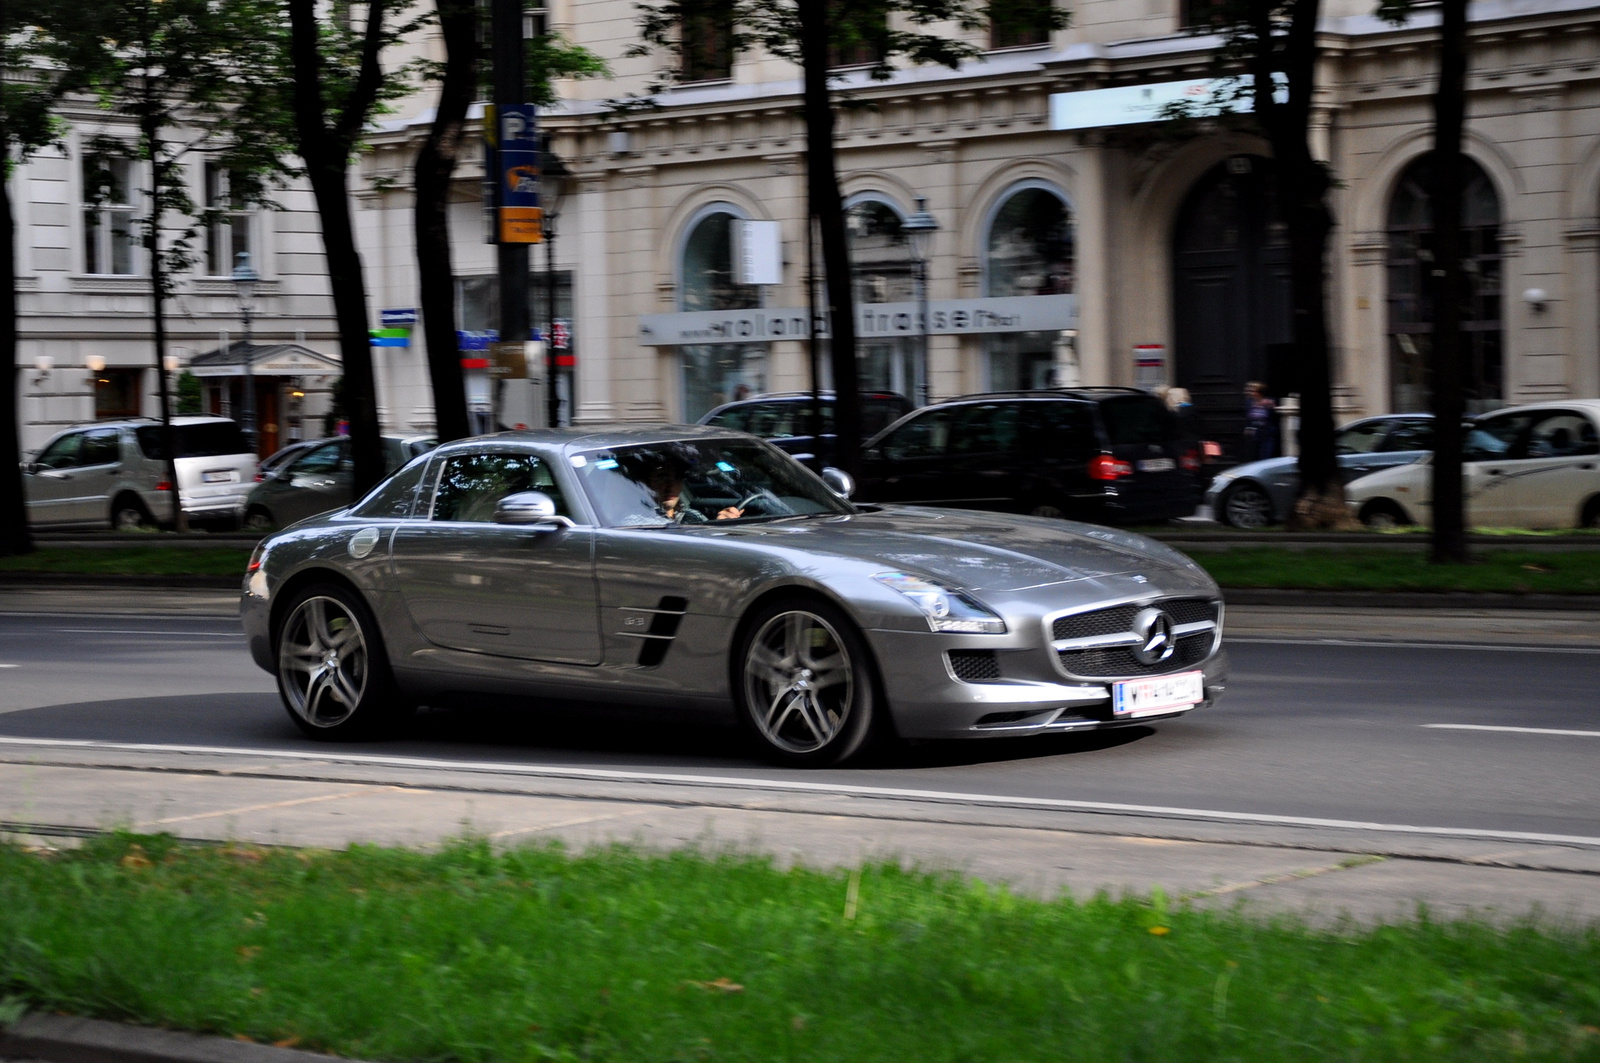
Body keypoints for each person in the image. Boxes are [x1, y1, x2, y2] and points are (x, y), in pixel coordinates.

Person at [646, 462, 743, 522]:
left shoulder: (692, 516)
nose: (671, 486)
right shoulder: (637, 521)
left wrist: (721, 524)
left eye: (677, 479)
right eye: (662, 478)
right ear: (646, 483)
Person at [1242, 381, 1279, 460]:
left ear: (1259, 392)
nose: (1248, 393)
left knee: (1266, 455)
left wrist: (1272, 406)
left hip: (1268, 432)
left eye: (1251, 391)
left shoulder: (1270, 401)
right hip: (1255, 432)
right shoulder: (1248, 402)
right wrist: (1248, 427)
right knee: (1255, 456)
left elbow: (1274, 416)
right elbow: (1248, 416)